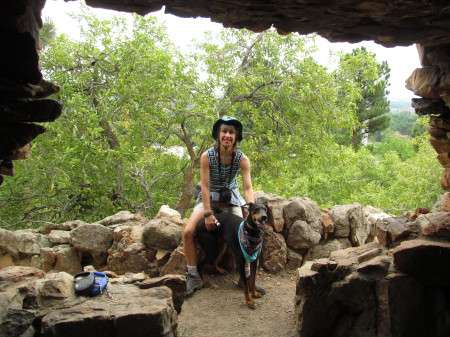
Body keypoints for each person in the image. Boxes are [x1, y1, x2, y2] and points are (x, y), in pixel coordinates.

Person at [183, 116, 264, 296]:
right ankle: (193, 276)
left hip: (231, 197)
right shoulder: (207, 156)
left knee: (247, 231)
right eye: (224, 132)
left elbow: (248, 187)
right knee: (188, 232)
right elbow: (204, 185)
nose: (227, 135)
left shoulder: (242, 159)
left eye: (231, 132)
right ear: (218, 134)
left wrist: (250, 207)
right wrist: (208, 212)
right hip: (209, 197)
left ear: (236, 136)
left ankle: (247, 278)